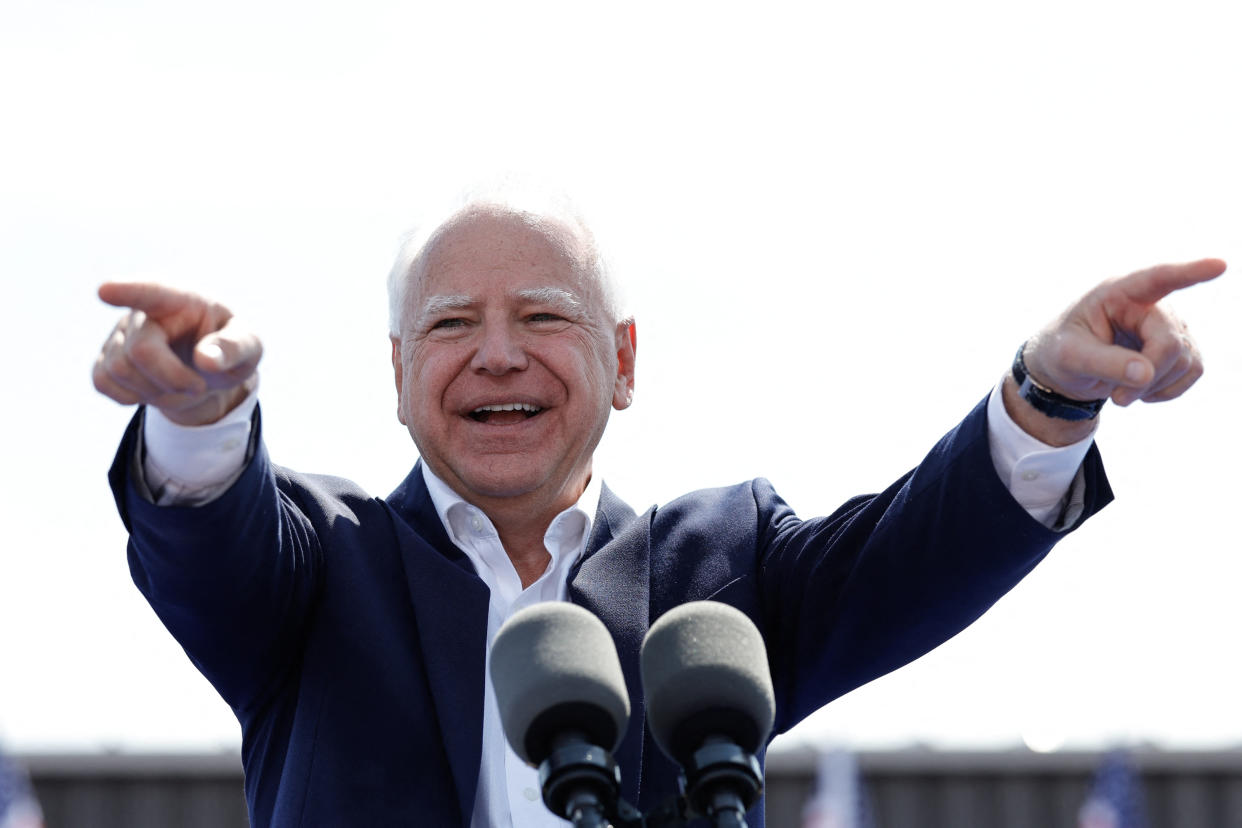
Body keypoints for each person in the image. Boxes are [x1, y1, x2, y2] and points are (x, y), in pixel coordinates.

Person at [94, 192, 1223, 828]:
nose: (496, 355)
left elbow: (920, 553)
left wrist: (1052, 392)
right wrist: (200, 413)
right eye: (449, 327)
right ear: (395, 373)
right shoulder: (317, 570)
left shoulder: (719, 573)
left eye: (540, 315)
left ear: (622, 361)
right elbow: (208, 531)